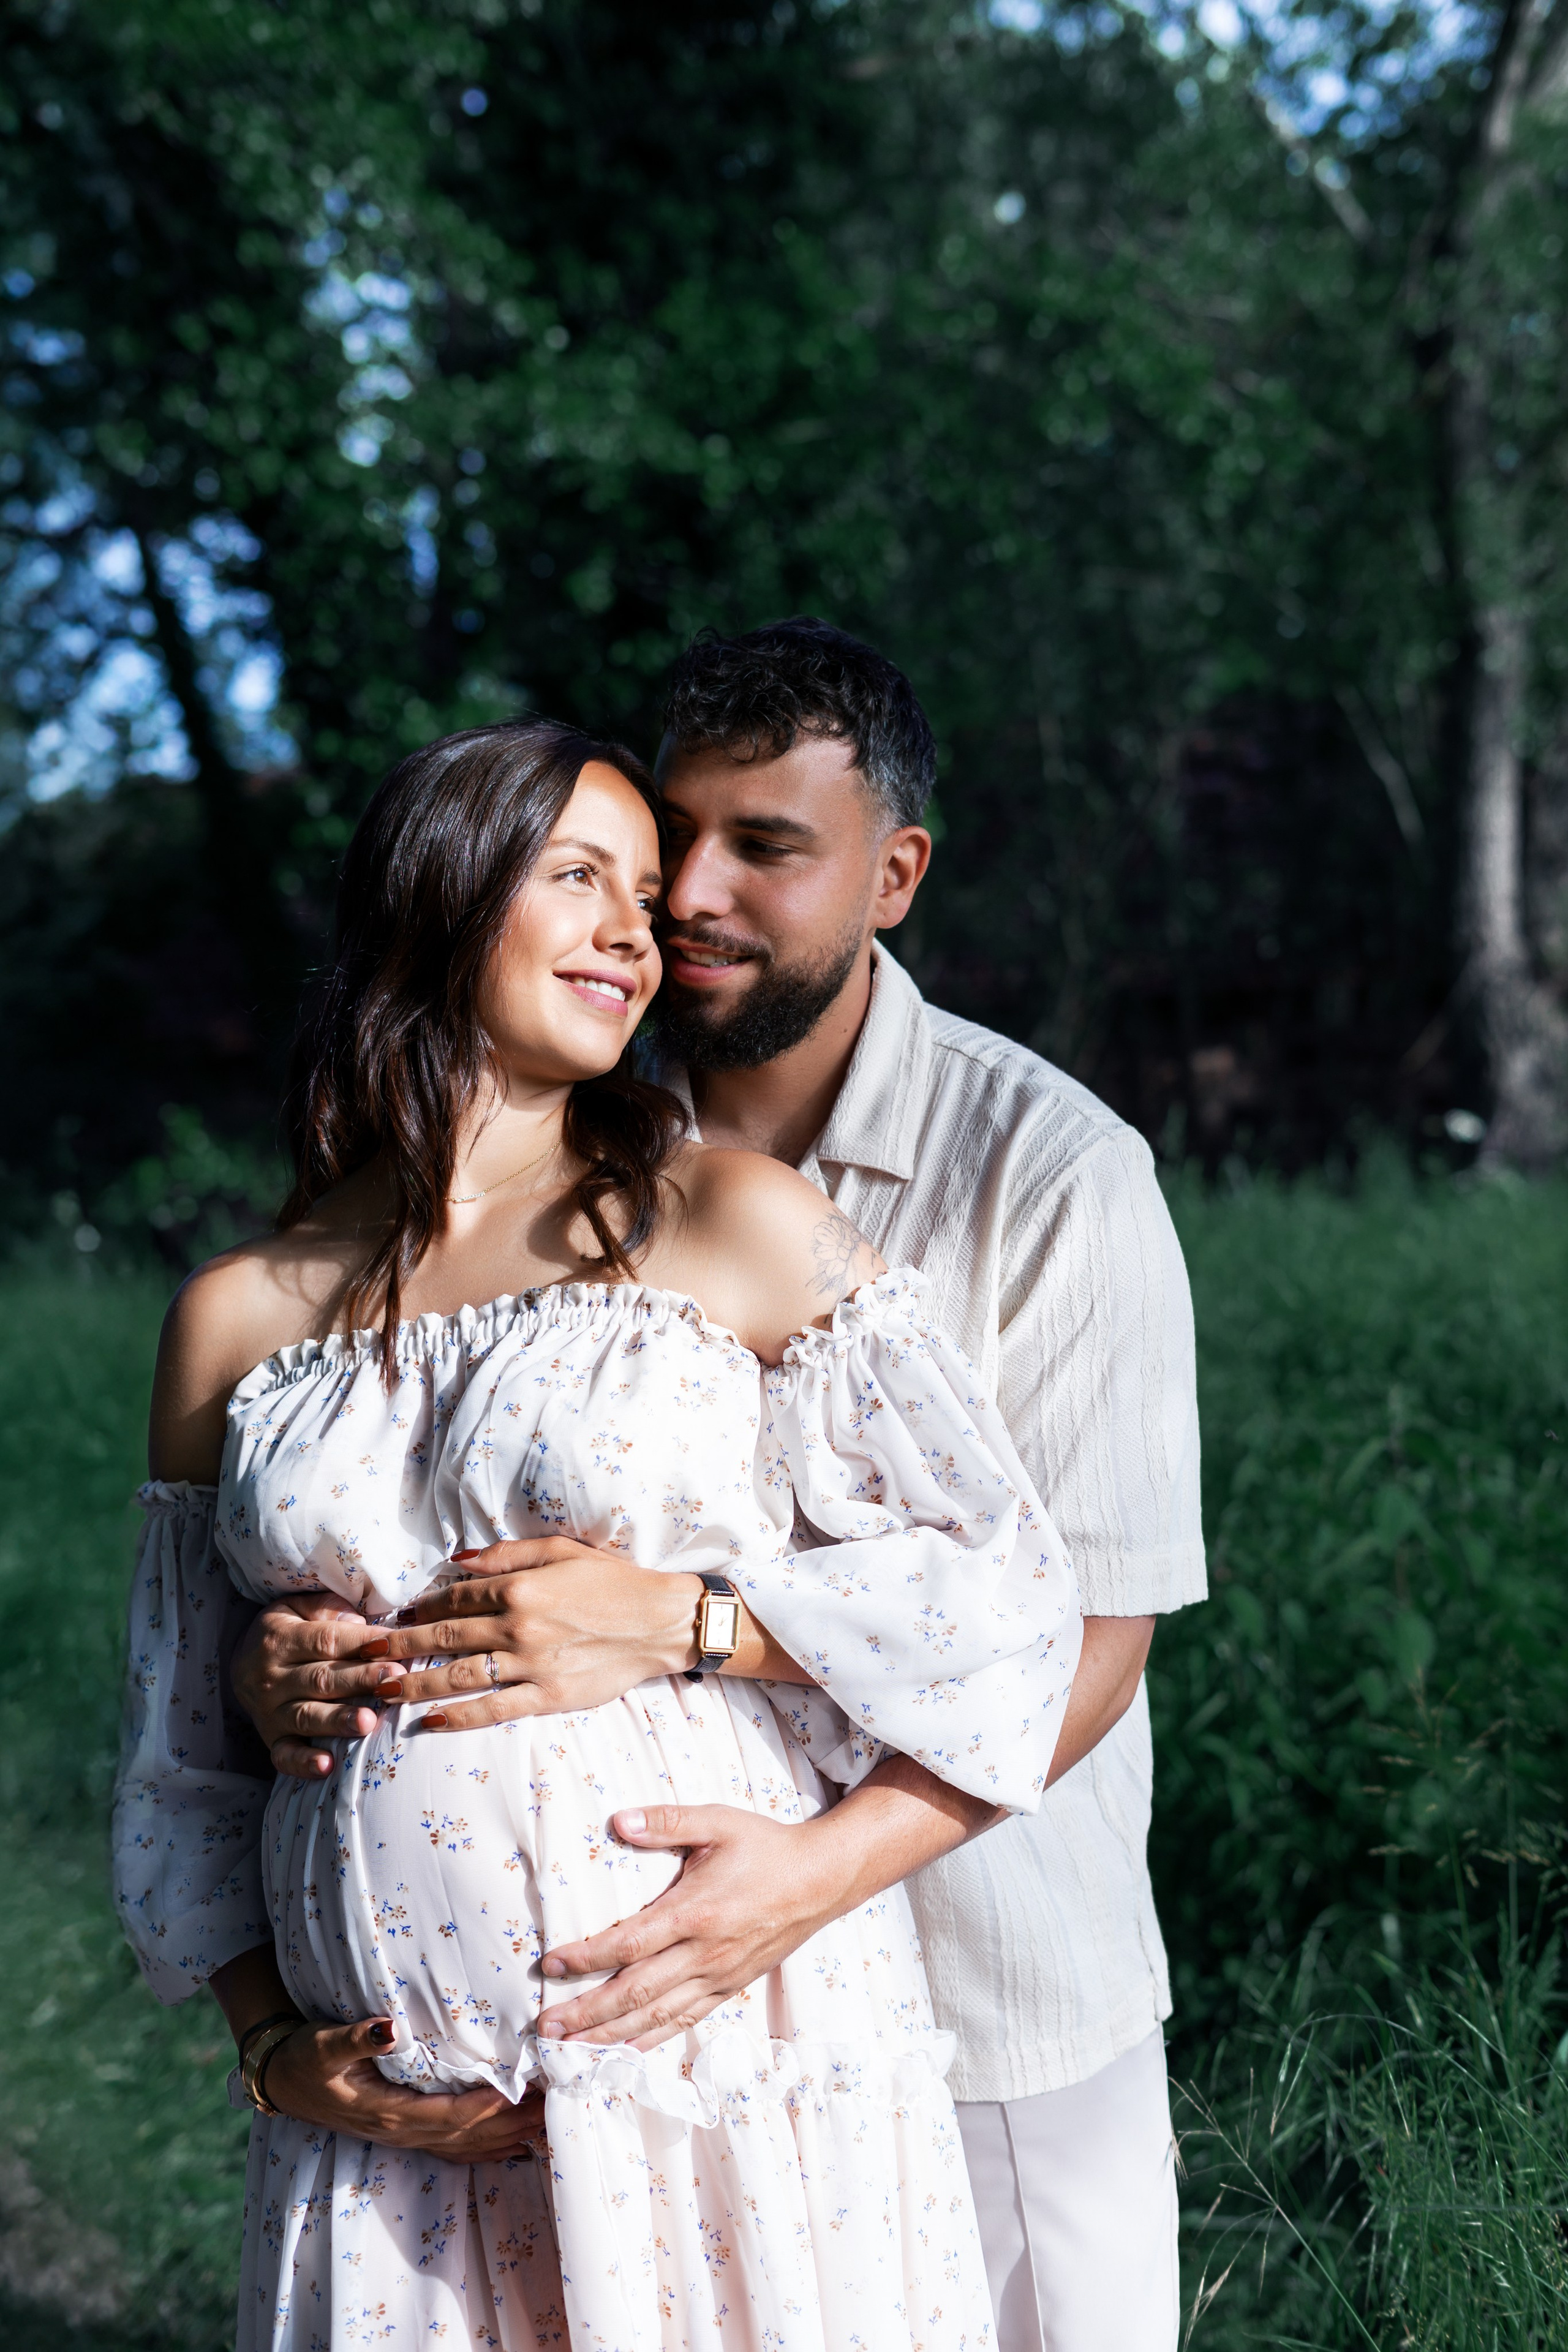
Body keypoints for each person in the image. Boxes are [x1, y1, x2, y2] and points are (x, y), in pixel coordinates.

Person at [232, 624, 1208, 2351]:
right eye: (669, 839)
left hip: (981, 1977)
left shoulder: (1052, 1174)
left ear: (893, 873)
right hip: (596, 2067)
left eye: (767, 844)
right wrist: (283, 1675)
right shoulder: (571, 1110)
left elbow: (1091, 1639)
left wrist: (794, 1861)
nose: (688, 895)